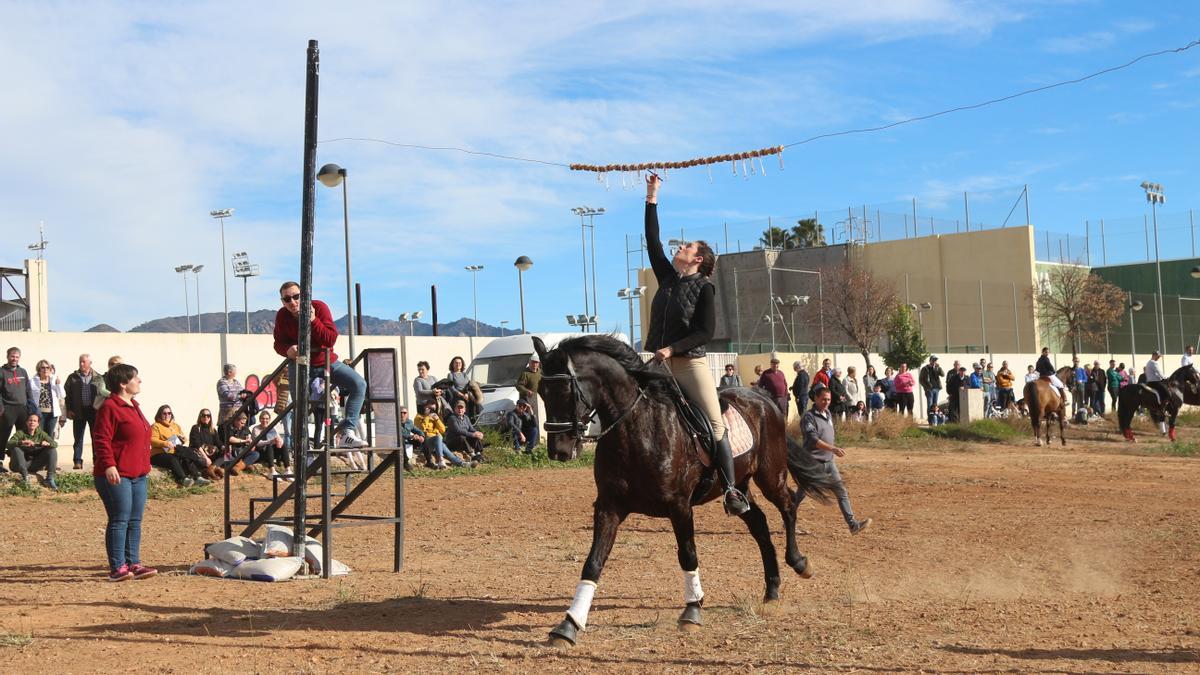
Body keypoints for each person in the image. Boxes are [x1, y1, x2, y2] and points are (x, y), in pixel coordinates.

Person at [644, 173, 748, 516]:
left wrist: (672, 349)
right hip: (660, 363)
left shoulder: (704, 288)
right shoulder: (667, 278)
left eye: (687, 247)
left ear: (698, 259)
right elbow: (653, 241)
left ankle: (732, 490)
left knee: (716, 425)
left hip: (689, 364)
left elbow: (705, 332)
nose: (680, 247)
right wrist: (652, 195)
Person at [273, 281, 368, 449]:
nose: (293, 302)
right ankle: (302, 448)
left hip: (326, 362)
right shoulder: (282, 315)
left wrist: (313, 320)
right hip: (301, 364)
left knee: (359, 384)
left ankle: (347, 432)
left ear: (304, 295)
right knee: (300, 403)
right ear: (282, 302)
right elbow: (278, 344)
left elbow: (330, 339)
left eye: (296, 296)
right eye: (287, 299)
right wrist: (288, 350)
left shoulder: (319, 307)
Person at [92, 362, 157, 582]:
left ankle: (134, 563)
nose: (139, 381)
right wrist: (109, 464)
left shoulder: (134, 405)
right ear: (122, 384)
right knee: (119, 519)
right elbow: (101, 438)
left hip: (138, 474)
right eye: (135, 378)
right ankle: (117, 567)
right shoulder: (110, 406)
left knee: (135, 520)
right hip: (116, 473)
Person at [799, 386, 871, 535]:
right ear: (816, 398)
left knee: (841, 491)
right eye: (823, 399)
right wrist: (832, 448)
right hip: (813, 463)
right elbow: (813, 439)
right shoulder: (809, 417)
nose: (826, 402)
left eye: (829, 399)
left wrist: (831, 451)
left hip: (828, 462)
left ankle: (853, 525)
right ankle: (788, 520)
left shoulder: (828, 414)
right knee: (802, 493)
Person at [149, 405, 210, 487]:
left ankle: (197, 477)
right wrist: (164, 443)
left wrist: (183, 439)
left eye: (169, 413)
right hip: (159, 453)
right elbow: (151, 440)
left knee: (187, 455)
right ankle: (183, 479)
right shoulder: (156, 426)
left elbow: (183, 437)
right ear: (159, 414)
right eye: (164, 413)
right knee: (172, 459)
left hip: (174, 451)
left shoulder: (175, 426)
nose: (167, 415)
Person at [64, 353, 104, 470]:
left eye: (84, 362)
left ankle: (96, 461)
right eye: (80, 361)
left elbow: (103, 394)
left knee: (95, 437)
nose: (81, 364)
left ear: (90, 363)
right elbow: (67, 395)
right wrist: (69, 409)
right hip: (78, 411)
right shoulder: (72, 377)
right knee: (78, 437)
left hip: (94, 411)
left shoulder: (98, 377)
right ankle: (77, 461)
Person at [1, 347, 32, 470]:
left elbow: (28, 391)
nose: (14, 359)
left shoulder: (23, 372)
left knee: (23, 436)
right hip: (8, 409)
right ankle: (0, 461)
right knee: (3, 436)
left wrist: (30, 408)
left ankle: (21, 462)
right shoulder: (1, 371)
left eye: (17, 357)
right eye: (12, 356)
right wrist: (1, 408)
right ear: (7, 356)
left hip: (22, 409)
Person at [7, 412, 58, 489]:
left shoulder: (41, 434)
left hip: (33, 465)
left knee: (52, 450)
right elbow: (9, 444)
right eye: (30, 420)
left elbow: (55, 444)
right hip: (18, 465)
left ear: (38, 424)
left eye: (35, 421)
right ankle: (25, 478)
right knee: (16, 448)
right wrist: (21, 442)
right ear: (26, 422)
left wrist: (46, 443)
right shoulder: (20, 433)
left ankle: (50, 478)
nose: (32, 422)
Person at [414, 404, 468, 469]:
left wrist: (437, 420)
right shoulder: (418, 418)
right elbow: (422, 430)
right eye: (429, 409)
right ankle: (441, 460)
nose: (431, 411)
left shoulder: (433, 417)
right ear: (423, 409)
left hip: (437, 442)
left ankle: (460, 463)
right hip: (425, 443)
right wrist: (427, 417)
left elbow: (443, 430)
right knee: (438, 437)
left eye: (433, 409)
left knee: (441, 442)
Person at [29, 360, 65, 438]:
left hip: (52, 414)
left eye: (47, 367)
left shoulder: (54, 380)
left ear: (50, 369)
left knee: (49, 436)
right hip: (38, 413)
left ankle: (48, 450)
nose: (45, 369)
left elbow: (62, 395)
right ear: (39, 369)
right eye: (43, 367)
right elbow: (29, 397)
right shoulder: (32, 381)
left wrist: (59, 385)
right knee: (38, 436)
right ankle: (39, 450)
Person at [250, 410, 291, 478]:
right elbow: (257, 443)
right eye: (263, 418)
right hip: (261, 452)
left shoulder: (273, 428)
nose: (264, 420)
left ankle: (288, 469)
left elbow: (279, 438)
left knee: (283, 445)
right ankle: (272, 471)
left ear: (269, 419)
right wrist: (270, 441)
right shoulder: (256, 429)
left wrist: (279, 441)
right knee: (269, 445)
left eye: (266, 419)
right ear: (260, 419)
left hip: (272, 452)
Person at [187, 409, 224, 479]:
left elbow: (218, 442)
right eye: (204, 415)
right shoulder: (195, 428)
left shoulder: (212, 430)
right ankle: (213, 468)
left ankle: (211, 468)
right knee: (201, 460)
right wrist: (206, 458)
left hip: (211, 454)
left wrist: (223, 447)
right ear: (200, 417)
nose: (206, 417)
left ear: (210, 417)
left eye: (208, 416)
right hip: (200, 454)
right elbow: (196, 445)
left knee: (227, 454)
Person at [397, 406, 422, 471]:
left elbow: (417, 430)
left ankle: (429, 460)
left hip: (407, 441)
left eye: (404, 413)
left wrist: (421, 435)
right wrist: (411, 436)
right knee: (401, 438)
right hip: (398, 442)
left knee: (423, 438)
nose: (402, 415)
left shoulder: (409, 422)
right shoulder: (395, 422)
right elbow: (399, 434)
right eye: (401, 413)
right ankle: (405, 462)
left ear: (407, 414)